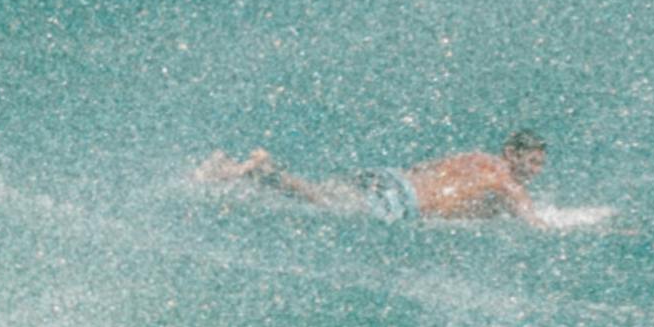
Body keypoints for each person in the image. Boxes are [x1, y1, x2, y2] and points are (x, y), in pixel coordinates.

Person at [194, 129, 609, 231]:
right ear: (511, 155)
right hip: (401, 201)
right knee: (318, 200)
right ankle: (262, 170)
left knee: (324, 192)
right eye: (532, 162)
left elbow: (424, 169)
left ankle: (228, 169)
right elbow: (535, 225)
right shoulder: (507, 185)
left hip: (389, 176)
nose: (535, 171)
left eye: (540, 165)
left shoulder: (475, 158)